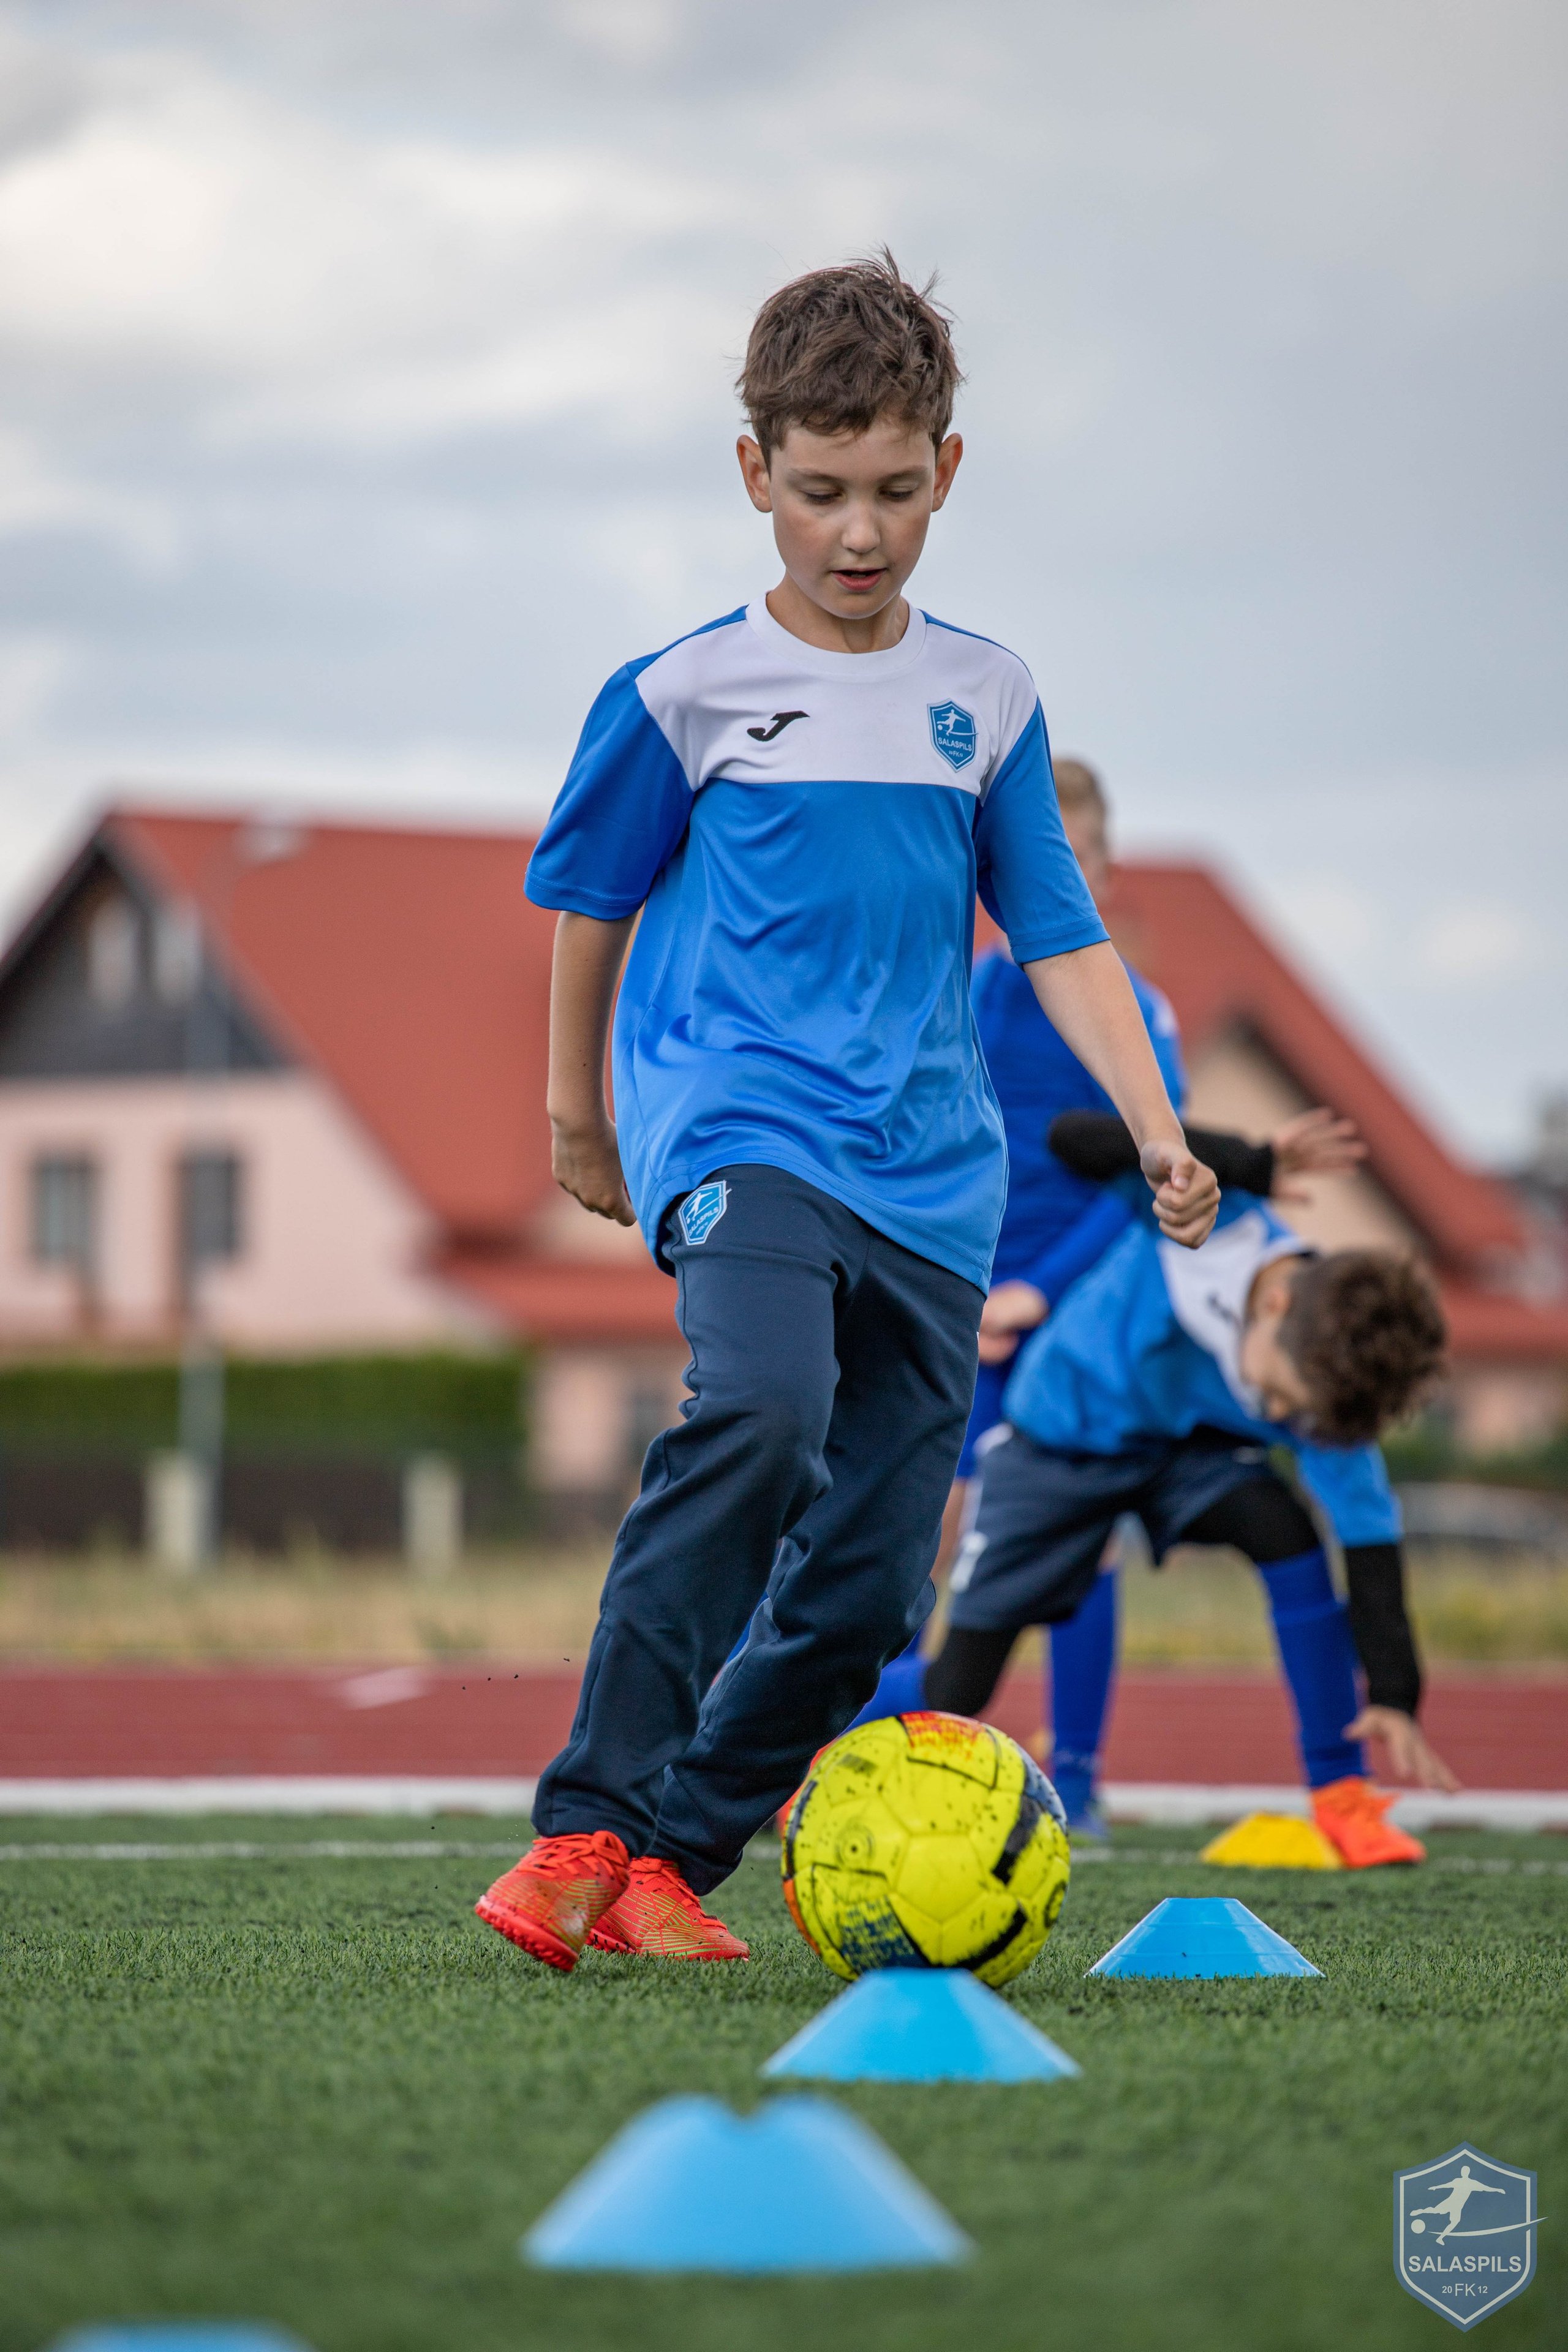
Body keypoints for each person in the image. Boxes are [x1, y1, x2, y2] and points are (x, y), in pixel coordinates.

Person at [473, 252, 1218, 1970]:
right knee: (762, 1409)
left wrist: (1160, 1125)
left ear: (948, 469)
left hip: (934, 1186)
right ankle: (587, 1817)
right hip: (740, 1132)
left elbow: (1062, 937)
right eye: (819, 493)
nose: (858, 531)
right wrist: (575, 1115)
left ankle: (668, 1857)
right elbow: (590, 902)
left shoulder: (994, 699)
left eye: (894, 491)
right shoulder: (682, 693)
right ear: (757, 476)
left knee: (881, 1583)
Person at [862, 761, 1363, 1834]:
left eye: (1071, 858)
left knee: (1075, 1536)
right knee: (915, 1530)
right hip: (954, 1293)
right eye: (1023, 862)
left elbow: (1155, 1172)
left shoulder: (1133, 1011)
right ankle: (859, 1755)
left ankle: (1076, 1776)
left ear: (1101, 867)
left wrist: (1041, 1290)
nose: (1047, 876)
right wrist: (949, 1279)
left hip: (1071, 1319)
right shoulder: (963, 991)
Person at [916, 1158, 1458, 1866]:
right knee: (959, 1684)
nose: (1284, 1419)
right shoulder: (1216, 1226)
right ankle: (800, 1741)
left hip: (1183, 1451)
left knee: (1283, 1529)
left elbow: (1370, 1544)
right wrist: (1247, 1158)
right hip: (1062, 1438)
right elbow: (1081, 1141)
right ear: (1275, 1307)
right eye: (1284, 1399)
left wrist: (1393, 1691)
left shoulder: (1329, 1380)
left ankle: (1343, 1797)